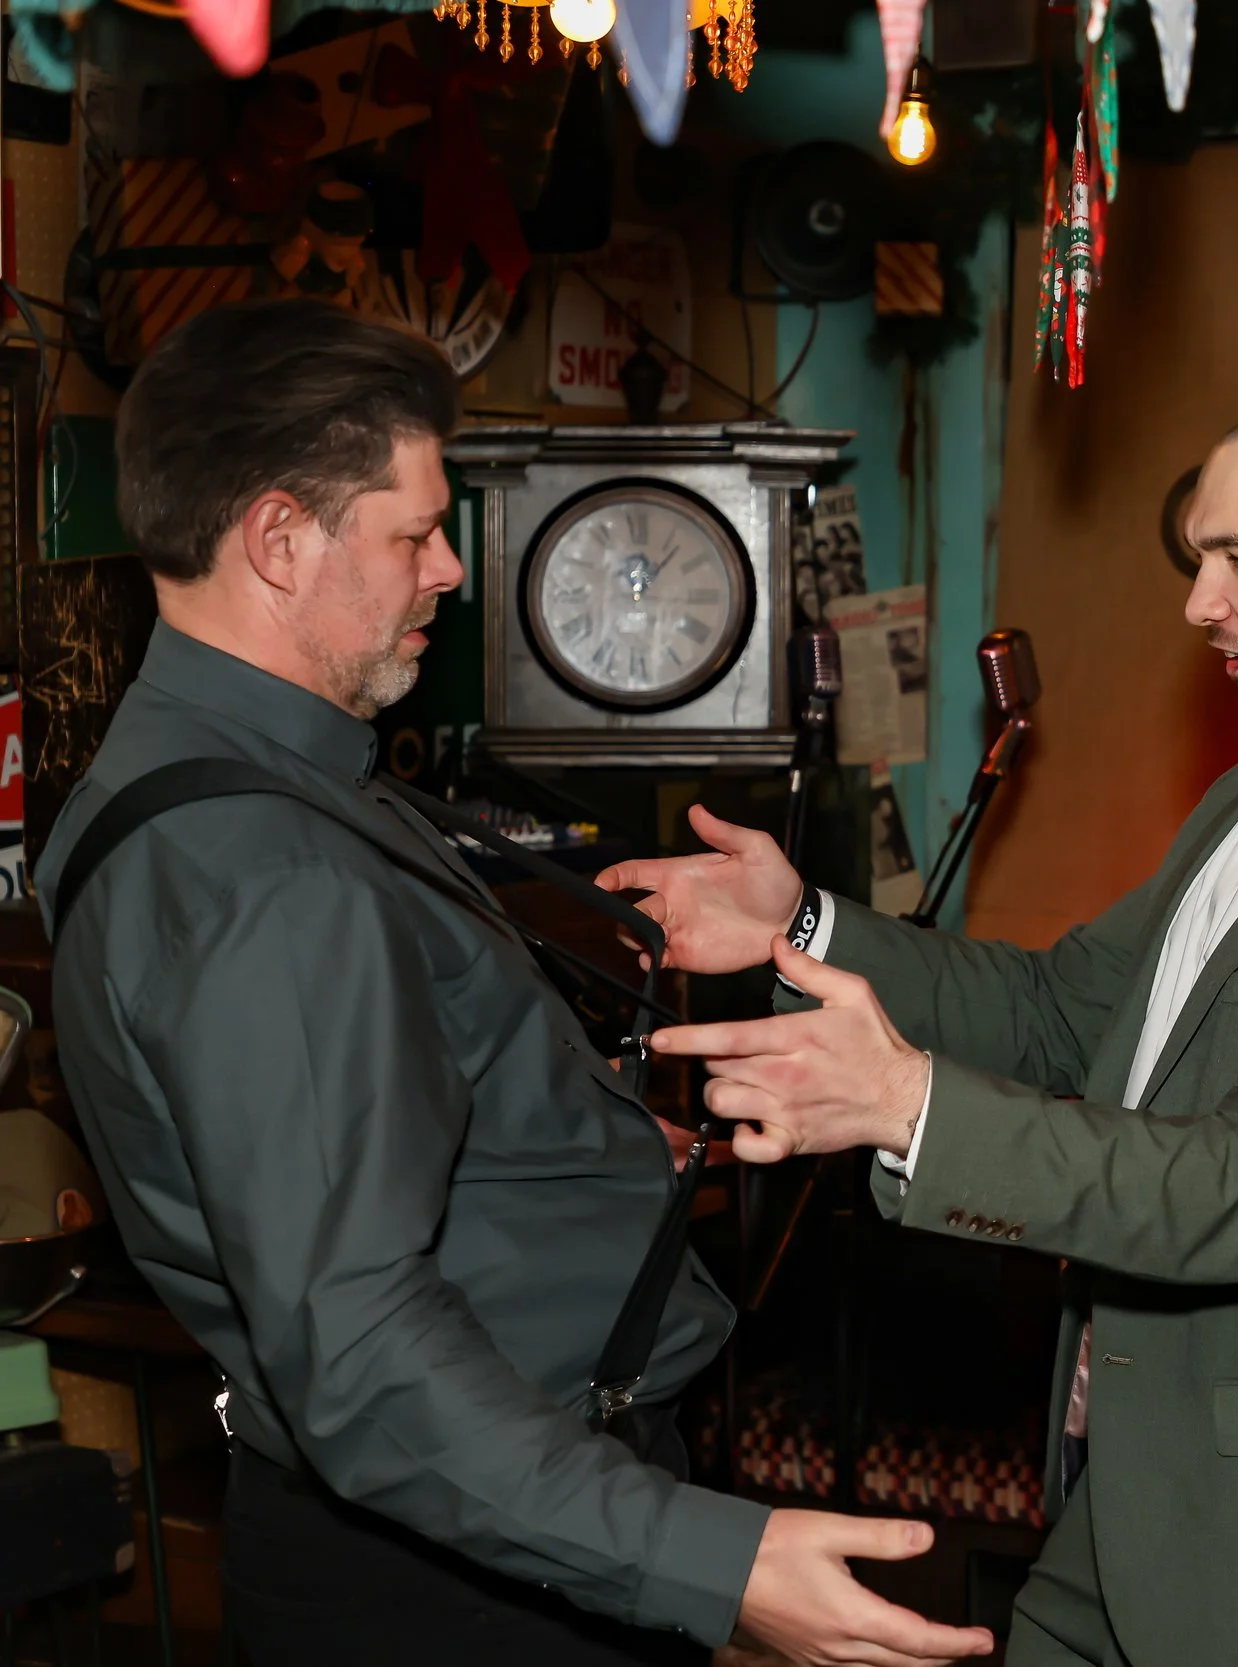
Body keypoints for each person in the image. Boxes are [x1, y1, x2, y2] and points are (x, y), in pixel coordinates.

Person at [37, 300, 992, 1667]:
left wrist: (562, 1146)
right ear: (276, 537)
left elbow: (325, 1124)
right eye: (414, 531)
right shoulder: (269, 867)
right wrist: (716, 1563)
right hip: (450, 1573)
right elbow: (358, 1347)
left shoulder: (203, 777)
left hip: (468, 1516)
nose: (449, 570)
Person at [603, 389, 1238, 1667]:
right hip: (1113, 1501)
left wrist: (908, 1108)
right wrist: (807, 922)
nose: (1198, 604)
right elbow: (1066, 1012)